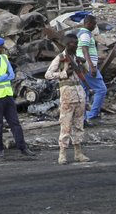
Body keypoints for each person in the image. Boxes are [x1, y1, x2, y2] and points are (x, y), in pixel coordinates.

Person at [0, 36, 36, 158]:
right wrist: (5, 76)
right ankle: (0, 149)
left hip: (8, 95)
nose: (2, 49)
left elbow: (12, 75)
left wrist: (4, 76)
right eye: (0, 47)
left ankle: (23, 148)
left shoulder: (5, 58)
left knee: (15, 123)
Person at [44, 34, 90, 164]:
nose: (75, 45)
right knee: (65, 125)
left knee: (79, 125)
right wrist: (64, 74)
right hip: (67, 95)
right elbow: (48, 75)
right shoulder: (60, 58)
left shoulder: (76, 59)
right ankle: (62, 154)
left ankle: (78, 152)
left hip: (79, 94)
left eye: (76, 43)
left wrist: (83, 64)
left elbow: (86, 73)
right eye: (73, 43)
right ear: (67, 44)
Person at [77, 15, 107, 124]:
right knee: (101, 89)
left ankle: (83, 117)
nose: (95, 26)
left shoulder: (83, 33)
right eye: (94, 24)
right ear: (88, 23)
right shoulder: (85, 34)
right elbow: (85, 50)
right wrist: (91, 66)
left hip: (82, 66)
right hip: (87, 67)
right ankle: (93, 114)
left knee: (84, 92)